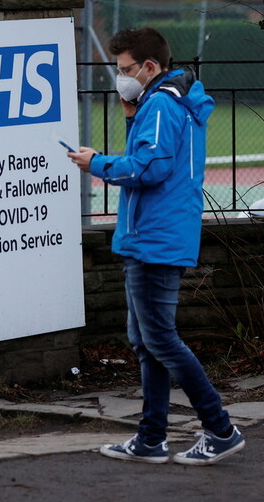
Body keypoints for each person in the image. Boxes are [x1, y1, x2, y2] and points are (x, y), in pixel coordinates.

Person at [68, 27, 245, 466]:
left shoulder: (164, 104)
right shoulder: (162, 103)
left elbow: (150, 168)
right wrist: (131, 118)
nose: (120, 76)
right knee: (147, 342)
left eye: (126, 69)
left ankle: (220, 428)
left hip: (155, 240)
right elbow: (155, 156)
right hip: (156, 237)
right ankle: (151, 439)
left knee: (160, 341)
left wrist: (98, 164)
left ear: (150, 66)